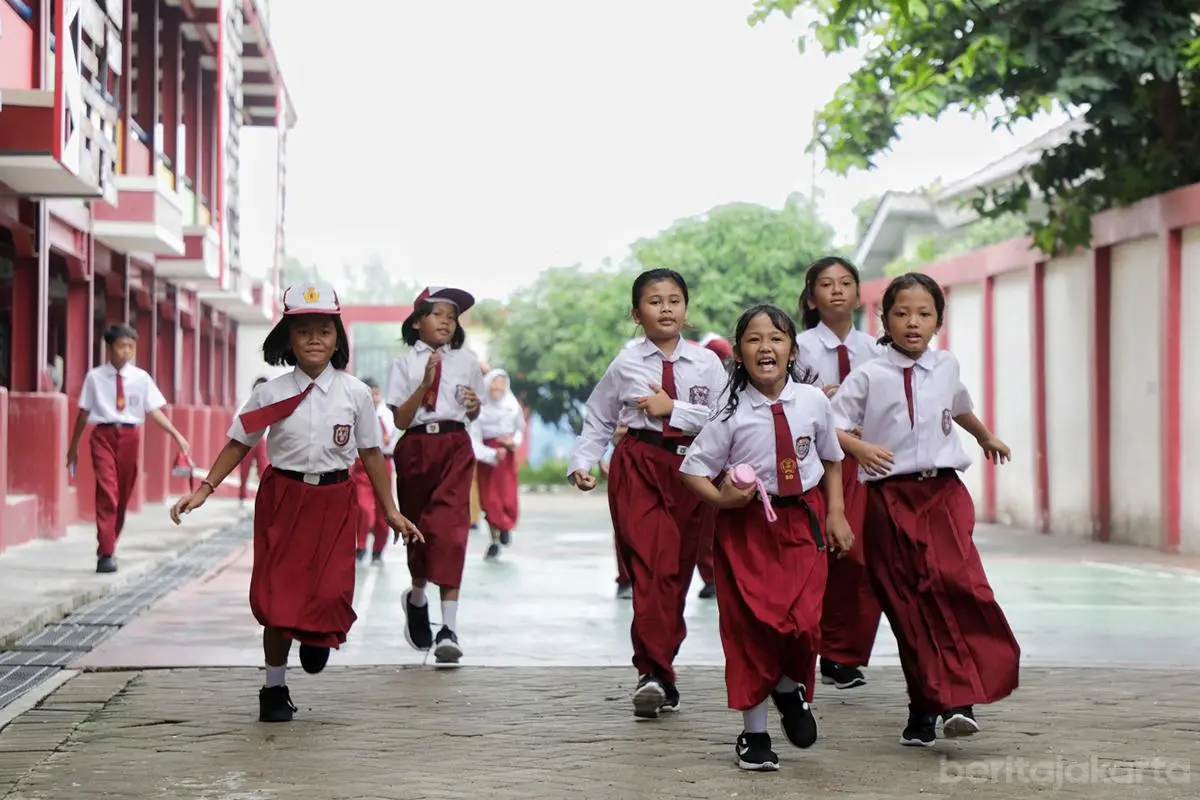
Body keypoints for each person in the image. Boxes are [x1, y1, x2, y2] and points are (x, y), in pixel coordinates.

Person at [169, 282, 421, 723]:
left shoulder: (356, 394)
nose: (314, 340)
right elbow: (239, 443)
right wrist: (204, 488)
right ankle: (273, 688)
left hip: (335, 500)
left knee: (330, 590)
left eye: (324, 331)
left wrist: (391, 510)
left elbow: (371, 454)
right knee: (278, 598)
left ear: (338, 339)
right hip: (283, 499)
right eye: (303, 331)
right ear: (288, 339)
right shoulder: (270, 393)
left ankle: (316, 635)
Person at [830, 271, 1020, 747]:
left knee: (960, 587)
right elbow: (828, 427)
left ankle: (960, 700)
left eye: (923, 313)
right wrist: (859, 448)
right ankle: (924, 706)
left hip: (943, 494)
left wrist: (985, 436)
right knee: (906, 604)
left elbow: (958, 406)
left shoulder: (946, 365)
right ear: (884, 319)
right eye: (902, 313)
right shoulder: (868, 374)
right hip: (889, 499)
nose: (913, 323)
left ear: (938, 320)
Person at [680, 304, 853, 771]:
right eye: (753, 339)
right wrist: (722, 500)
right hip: (748, 529)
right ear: (738, 353)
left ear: (792, 350)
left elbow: (832, 457)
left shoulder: (813, 402)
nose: (765, 347)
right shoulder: (729, 411)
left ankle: (787, 687)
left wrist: (837, 513)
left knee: (804, 623)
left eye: (776, 338)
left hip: (803, 522)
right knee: (751, 630)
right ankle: (754, 735)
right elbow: (692, 469)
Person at [567, 268, 727, 719]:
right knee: (651, 567)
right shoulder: (626, 363)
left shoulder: (708, 363)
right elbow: (599, 417)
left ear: (686, 309)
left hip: (691, 471)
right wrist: (582, 462)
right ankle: (652, 672)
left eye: (674, 300)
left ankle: (661, 669)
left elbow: (724, 419)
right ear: (637, 314)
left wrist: (674, 408)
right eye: (655, 302)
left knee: (675, 573)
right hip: (638, 466)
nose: (666, 309)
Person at [795, 256, 887, 691]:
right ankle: (803, 649)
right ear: (811, 298)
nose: (836, 290)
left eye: (845, 282)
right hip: (813, 461)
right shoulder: (795, 348)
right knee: (815, 557)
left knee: (861, 559)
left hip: (864, 461)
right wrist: (814, 396)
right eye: (826, 284)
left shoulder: (877, 350)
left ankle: (842, 654)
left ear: (858, 294)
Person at [386, 286, 486, 667]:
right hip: (415, 447)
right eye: (438, 314)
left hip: (455, 447)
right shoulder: (402, 364)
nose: (446, 321)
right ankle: (416, 597)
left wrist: (474, 407)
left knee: (450, 532)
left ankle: (448, 629)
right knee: (419, 530)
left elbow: (473, 410)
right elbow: (400, 419)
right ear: (417, 322)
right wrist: (425, 385)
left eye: (452, 316)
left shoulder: (467, 361)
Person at [67, 323, 190, 573]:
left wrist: (176, 434)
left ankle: (110, 543)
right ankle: (106, 553)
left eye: (131, 346)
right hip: (102, 436)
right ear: (109, 347)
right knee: (107, 492)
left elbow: (154, 410)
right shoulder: (94, 377)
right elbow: (83, 413)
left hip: (130, 437)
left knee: (122, 495)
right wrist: (73, 446)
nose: (126, 351)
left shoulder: (141, 378)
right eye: (121, 346)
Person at [693, 332, 734, 600]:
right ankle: (711, 576)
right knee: (705, 523)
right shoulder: (700, 375)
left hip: (727, 461)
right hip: (705, 459)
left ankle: (716, 575)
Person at [473, 368, 525, 560]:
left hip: (507, 459)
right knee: (489, 501)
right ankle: (494, 539)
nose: (497, 388)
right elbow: (474, 440)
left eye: (501, 384)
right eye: (494, 384)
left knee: (507, 497)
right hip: (488, 460)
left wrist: (513, 443)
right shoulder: (479, 409)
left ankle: (504, 528)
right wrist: (491, 454)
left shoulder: (512, 406)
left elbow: (520, 430)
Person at [351, 377, 399, 564]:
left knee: (383, 508)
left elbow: (392, 438)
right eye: (371, 393)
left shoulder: (388, 415)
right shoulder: (354, 412)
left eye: (377, 392)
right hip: (361, 465)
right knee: (363, 507)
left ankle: (378, 549)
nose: (375, 397)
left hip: (384, 462)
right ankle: (361, 545)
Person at [600, 423, 632, 599]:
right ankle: (626, 579)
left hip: (661, 458)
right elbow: (603, 424)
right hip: (624, 459)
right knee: (623, 523)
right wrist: (599, 459)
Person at [239, 377, 271, 506]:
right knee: (244, 471)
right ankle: (242, 498)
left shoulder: (272, 404)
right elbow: (237, 422)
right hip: (247, 440)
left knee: (264, 469)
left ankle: (267, 498)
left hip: (262, 440)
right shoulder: (246, 404)